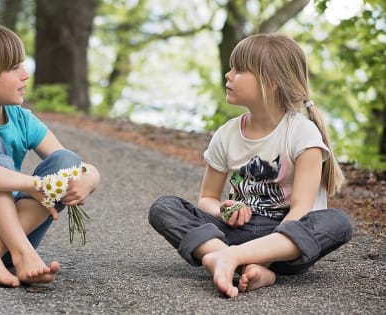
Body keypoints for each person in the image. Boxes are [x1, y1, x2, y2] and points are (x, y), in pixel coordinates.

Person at [148, 33, 353, 298]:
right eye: (232, 67)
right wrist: (225, 209)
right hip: (234, 232)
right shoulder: (227, 133)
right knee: (164, 207)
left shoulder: (302, 134)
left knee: (338, 222)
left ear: (272, 83)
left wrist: (263, 258)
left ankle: (226, 259)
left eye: (240, 70)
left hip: (284, 245)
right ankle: (234, 262)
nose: (228, 75)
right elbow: (208, 198)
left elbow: (301, 211)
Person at [0, 23, 100, 287]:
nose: (25, 75)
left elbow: (71, 164)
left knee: (66, 162)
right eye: (14, 68)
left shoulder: (22, 119)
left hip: (5, 240)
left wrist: (90, 178)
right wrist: (33, 184)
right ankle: (22, 252)